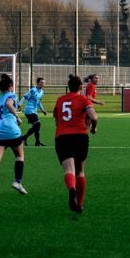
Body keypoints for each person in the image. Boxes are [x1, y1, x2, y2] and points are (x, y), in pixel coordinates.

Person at [53, 74, 98, 213]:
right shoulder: (83, 99)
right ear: (80, 87)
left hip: (62, 137)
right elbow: (93, 116)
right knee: (80, 171)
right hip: (80, 137)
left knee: (69, 170)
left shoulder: (60, 100)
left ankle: (71, 189)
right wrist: (94, 127)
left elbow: (56, 119)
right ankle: (79, 204)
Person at [0, 75, 27, 197]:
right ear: (10, 86)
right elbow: (9, 104)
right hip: (11, 130)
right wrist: (17, 116)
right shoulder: (11, 95)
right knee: (19, 156)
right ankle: (17, 182)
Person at [18, 76, 47, 147]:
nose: (42, 84)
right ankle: (36, 142)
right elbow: (25, 96)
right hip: (29, 110)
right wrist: (19, 104)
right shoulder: (33, 90)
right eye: (41, 82)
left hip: (34, 111)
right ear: (37, 83)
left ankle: (25, 138)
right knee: (38, 124)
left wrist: (42, 110)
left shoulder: (42, 92)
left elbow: (38, 102)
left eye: (43, 83)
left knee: (36, 127)